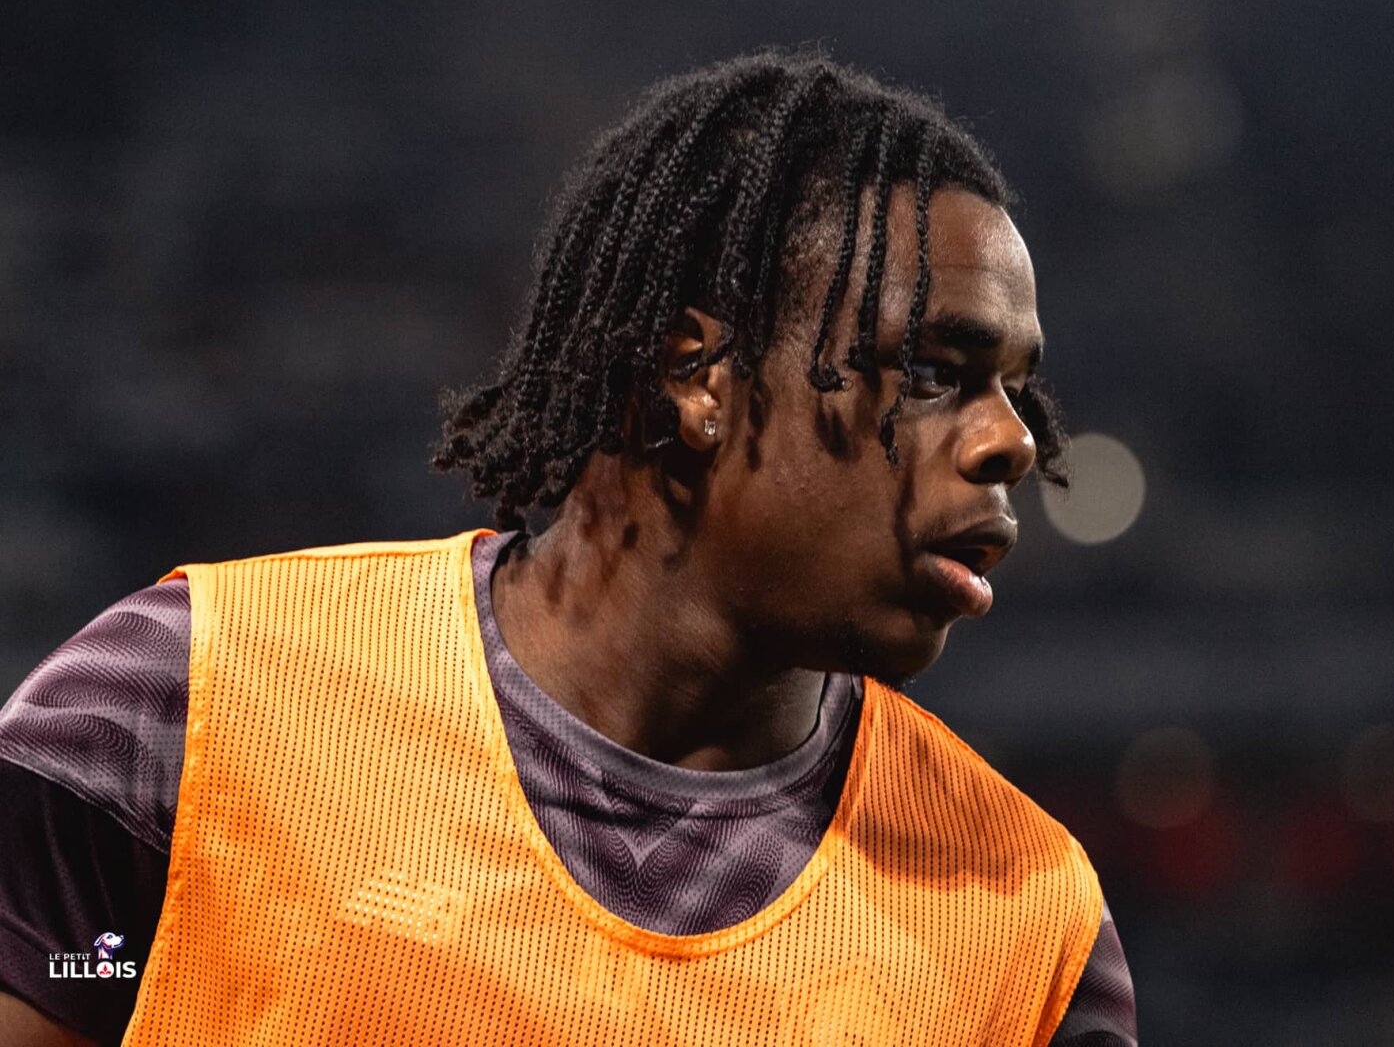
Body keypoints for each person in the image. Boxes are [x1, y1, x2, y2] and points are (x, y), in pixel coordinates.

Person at [0, 51, 1137, 1045]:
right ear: (699, 376)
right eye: (934, 370)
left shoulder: (1029, 924)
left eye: (1017, 390)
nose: (1011, 441)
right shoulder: (176, 713)